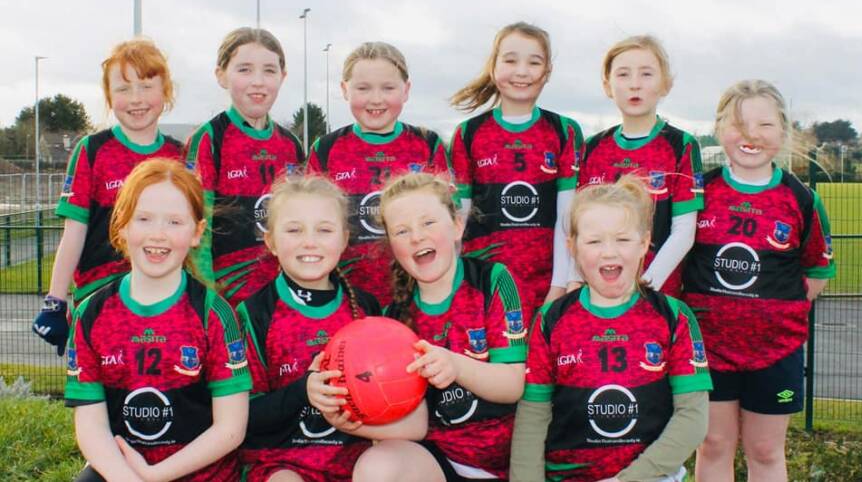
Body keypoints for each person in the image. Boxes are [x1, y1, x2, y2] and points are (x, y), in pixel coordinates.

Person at [511, 174, 712, 482]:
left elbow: (692, 420)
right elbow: (533, 417)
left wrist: (625, 480)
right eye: (593, 241)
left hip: (649, 476)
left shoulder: (674, 317)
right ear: (573, 247)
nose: (609, 252)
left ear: (644, 243)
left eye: (622, 239)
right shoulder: (551, 319)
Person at [684, 80, 836, 482]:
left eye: (765, 125)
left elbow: (816, 272)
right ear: (719, 129)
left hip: (775, 353)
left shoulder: (802, 199)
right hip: (709, 351)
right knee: (713, 445)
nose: (751, 135)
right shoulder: (701, 192)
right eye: (739, 123)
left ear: (783, 132)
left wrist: (773, 315)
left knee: (766, 450)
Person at [64, 158, 252, 481]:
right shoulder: (91, 315)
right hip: (124, 473)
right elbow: (91, 425)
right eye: (145, 219)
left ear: (197, 232)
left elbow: (231, 429)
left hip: (200, 474)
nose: (158, 235)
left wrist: (155, 475)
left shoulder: (214, 315)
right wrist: (128, 478)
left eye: (174, 222)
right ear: (122, 226)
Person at [347, 172, 527, 482]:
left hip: (504, 466)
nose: (416, 237)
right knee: (377, 466)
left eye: (428, 223)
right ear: (391, 245)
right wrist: (346, 418)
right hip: (439, 464)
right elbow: (414, 424)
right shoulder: (394, 320)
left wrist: (455, 365)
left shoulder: (492, 280)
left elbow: (512, 385)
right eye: (402, 231)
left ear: (457, 226)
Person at [33, 38, 183, 355]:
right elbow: (74, 233)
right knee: (97, 400)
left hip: (164, 302)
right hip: (99, 302)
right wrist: (55, 301)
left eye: (146, 86)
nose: (136, 99)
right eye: (123, 89)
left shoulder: (178, 156)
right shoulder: (92, 151)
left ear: (165, 91)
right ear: (109, 97)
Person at [237, 174, 385, 481]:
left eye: (324, 230)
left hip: (357, 464)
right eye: (293, 230)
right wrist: (303, 391)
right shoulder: (253, 313)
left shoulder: (367, 309)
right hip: (281, 464)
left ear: (344, 240)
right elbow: (242, 417)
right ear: (271, 242)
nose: (310, 242)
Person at [449, 22, 583, 323]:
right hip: (483, 287)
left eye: (534, 62)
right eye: (510, 60)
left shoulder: (564, 131)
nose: (522, 71)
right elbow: (460, 219)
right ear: (494, 66)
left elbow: (567, 218)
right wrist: (456, 285)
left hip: (546, 289)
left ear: (546, 73)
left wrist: (559, 286)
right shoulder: (469, 134)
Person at [305, 41, 450, 306]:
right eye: (363, 88)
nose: (375, 99)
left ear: (406, 91)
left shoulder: (427, 144)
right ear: (344, 90)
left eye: (388, 88)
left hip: (416, 298)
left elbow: (445, 225)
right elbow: (311, 227)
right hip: (346, 299)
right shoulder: (325, 149)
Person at [567, 35, 703, 297]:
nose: (635, 85)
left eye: (646, 74)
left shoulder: (681, 145)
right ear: (607, 86)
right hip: (597, 296)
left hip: (654, 293)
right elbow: (579, 226)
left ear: (665, 84)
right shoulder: (592, 148)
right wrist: (575, 282)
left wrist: (642, 287)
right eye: (624, 75)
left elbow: (684, 231)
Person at [187, 27, 305, 306]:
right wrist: (207, 297)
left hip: (283, 298)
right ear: (221, 76)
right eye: (244, 70)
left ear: (282, 77)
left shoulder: (291, 145)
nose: (258, 82)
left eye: (269, 70)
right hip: (227, 301)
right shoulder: (210, 138)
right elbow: (197, 225)